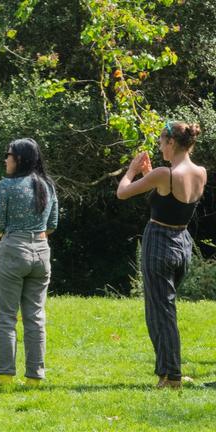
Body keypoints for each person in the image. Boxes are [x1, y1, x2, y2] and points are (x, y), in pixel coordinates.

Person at [117, 122, 206, 389]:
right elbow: (172, 202)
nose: (158, 147)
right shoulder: (200, 172)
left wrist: (132, 171)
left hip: (159, 243)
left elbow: (122, 192)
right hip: (183, 244)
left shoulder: (163, 173)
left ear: (170, 143)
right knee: (165, 310)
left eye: (160, 142)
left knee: (160, 312)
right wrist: (151, 175)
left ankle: (171, 376)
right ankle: (169, 372)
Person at [0, 138, 58, 387]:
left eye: (9, 155)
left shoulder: (7, 186)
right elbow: (53, 224)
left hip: (14, 250)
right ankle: (35, 377)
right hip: (41, 251)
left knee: (5, 316)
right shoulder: (48, 185)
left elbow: (0, 224)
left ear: (20, 159)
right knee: (35, 316)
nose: (6, 159)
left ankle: (3, 375)